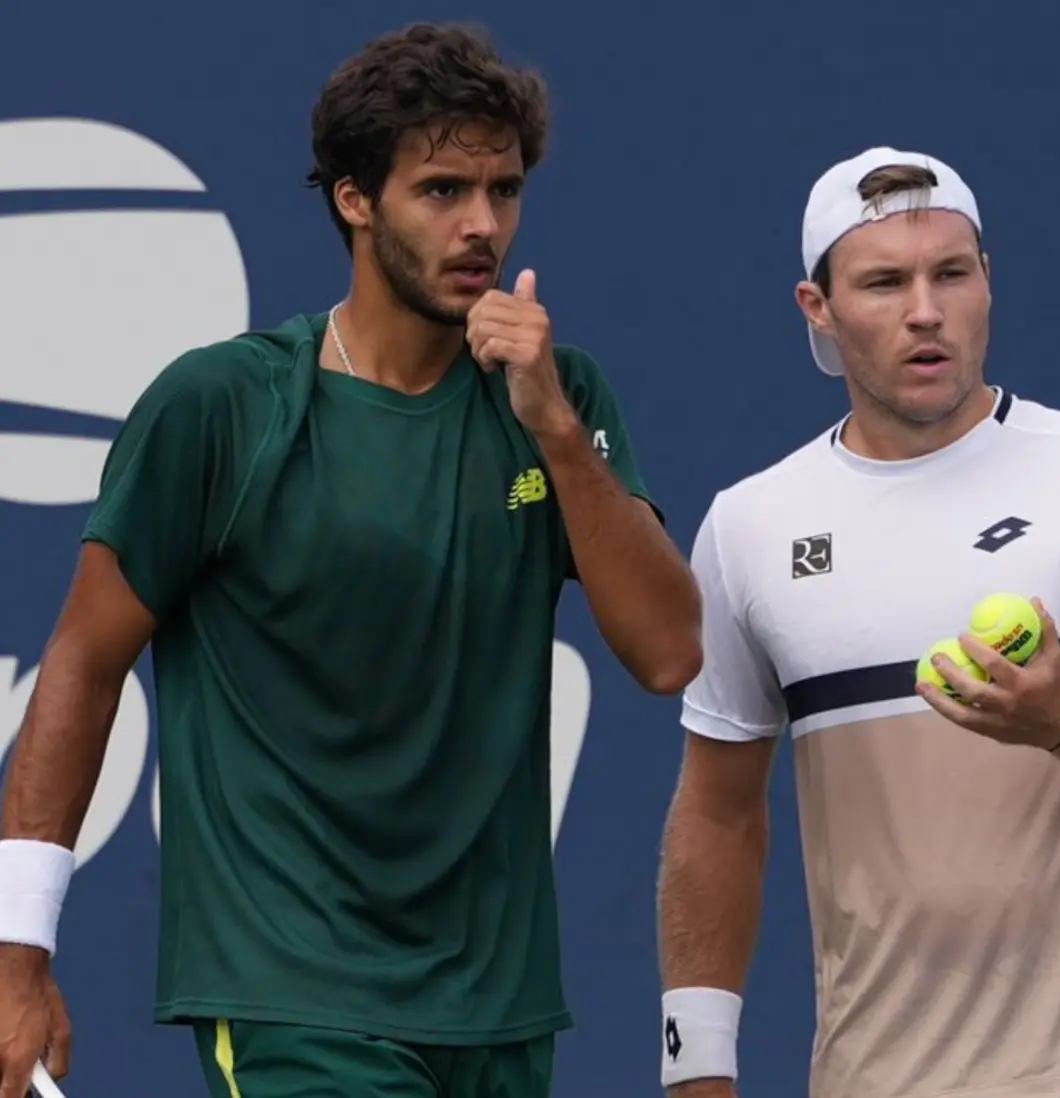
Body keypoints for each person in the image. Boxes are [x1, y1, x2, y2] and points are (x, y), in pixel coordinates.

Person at [0, 22, 702, 1098]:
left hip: (500, 1009)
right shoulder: (222, 407)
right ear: (355, 200)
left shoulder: (560, 400)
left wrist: (556, 432)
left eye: (504, 190)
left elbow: (669, 654)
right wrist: (18, 959)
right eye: (442, 190)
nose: (483, 224)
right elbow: (85, 663)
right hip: (293, 996)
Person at [656, 145, 1060, 1098]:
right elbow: (718, 813)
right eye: (884, 283)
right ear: (818, 309)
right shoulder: (750, 527)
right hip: (879, 1077)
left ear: (986, 280)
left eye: (951, 274)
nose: (925, 310)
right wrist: (696, 1064)